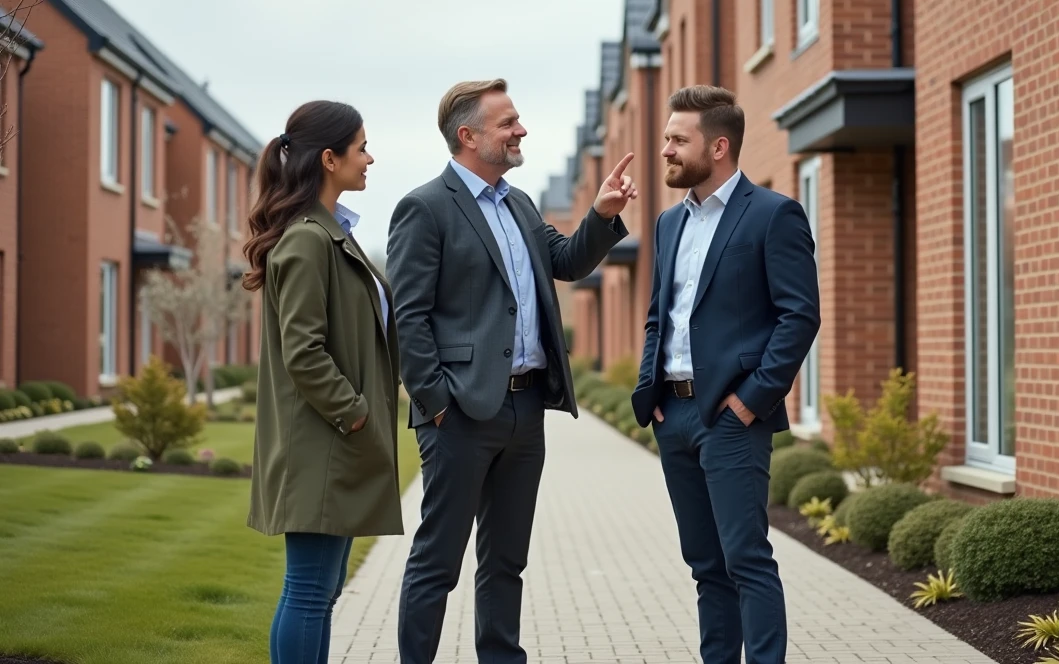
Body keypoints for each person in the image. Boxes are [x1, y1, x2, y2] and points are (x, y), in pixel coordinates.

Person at [386, 78, 635, 664]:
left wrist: (601, 215)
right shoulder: (424, 208)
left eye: (518, 120)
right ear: (468, 135)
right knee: (438, 561)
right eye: (508, 123)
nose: (521, 130)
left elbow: (568, 262)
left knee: (506, 561)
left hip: (526, 411)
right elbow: (409, 318)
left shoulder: (520, 203)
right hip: (459, 414)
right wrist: (437, 402)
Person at [631, 85, 820, 664]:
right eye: (666, 137)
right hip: (675, 415)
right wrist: (650, 392)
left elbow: (800, 315)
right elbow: (658, 315)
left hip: (734, 417)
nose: (664, 149)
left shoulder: (773, 214)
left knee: (747, 561)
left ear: (718, 146)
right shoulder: (668, 223)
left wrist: (752, 400)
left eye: (676, 139)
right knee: (706, 567)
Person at [242, 100, 406, 664]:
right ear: (330, 158)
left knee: (320, 591)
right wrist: (355, 412)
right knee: (310, 591)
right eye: (362, 148)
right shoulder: (309, 239)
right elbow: (303, 352)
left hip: (335, 443)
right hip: (324, 444)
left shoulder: (326, 232)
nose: (370, 158)